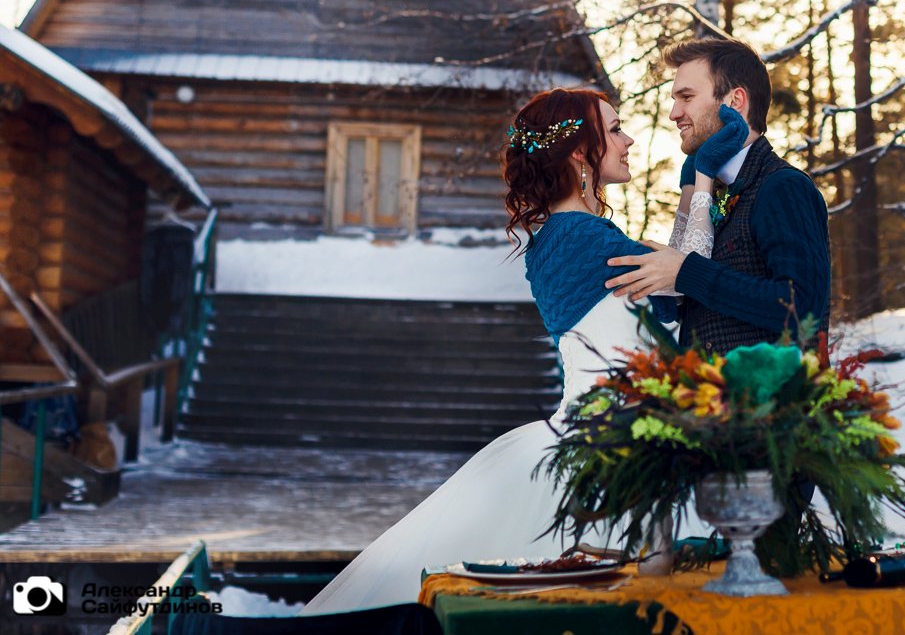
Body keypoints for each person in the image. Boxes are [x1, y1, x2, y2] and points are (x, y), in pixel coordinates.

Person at [301, 88, 746, 614]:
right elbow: (691, 271)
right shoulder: (587, 240)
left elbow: (672, 274)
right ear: (581, 152)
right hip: (615, 451)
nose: (628, 140)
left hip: (598, 436)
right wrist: (702, 172)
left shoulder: (562, 238)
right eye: (616, 128)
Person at [606, 38, 831, 353]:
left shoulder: (782, 186)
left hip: (773, 399)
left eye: (686, 97)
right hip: (712, 399)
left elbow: (803, 307)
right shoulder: (711, 193)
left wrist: (687, 273)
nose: (674, 113)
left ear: (735, 100)